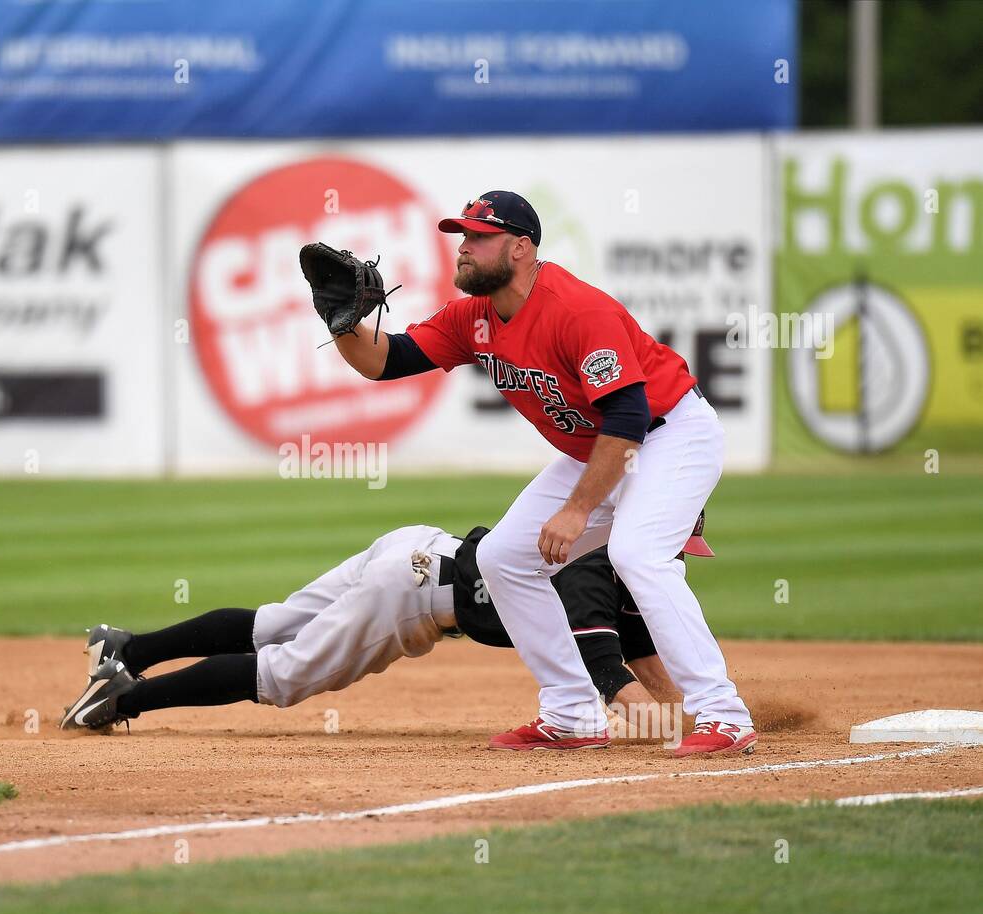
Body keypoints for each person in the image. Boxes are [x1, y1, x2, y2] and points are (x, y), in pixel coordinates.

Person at [317, 191, 755, 756]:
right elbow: (387, 361)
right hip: (600, 446)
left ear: (521, 248)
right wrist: (345, 324)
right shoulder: (472, 316)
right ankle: (573, 713)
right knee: (502, 559)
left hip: (670, 434)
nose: (464, 248)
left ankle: (725, 714)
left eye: (479, 237)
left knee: (637, 554)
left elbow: (628, 414)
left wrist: (575, 511)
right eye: (462, 237)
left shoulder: (576, 310)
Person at [58, 516, 715, 747]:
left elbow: (647, 662)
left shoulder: (614, 561)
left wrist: (698, 714)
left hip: (419, 546)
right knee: (282, 674)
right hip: (411, 596)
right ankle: (120, 699)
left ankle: (126, 646)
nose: (679, 558)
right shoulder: (594, 573)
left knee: (277, 623)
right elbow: (610, 678)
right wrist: (669, 731)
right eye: (674, 544)